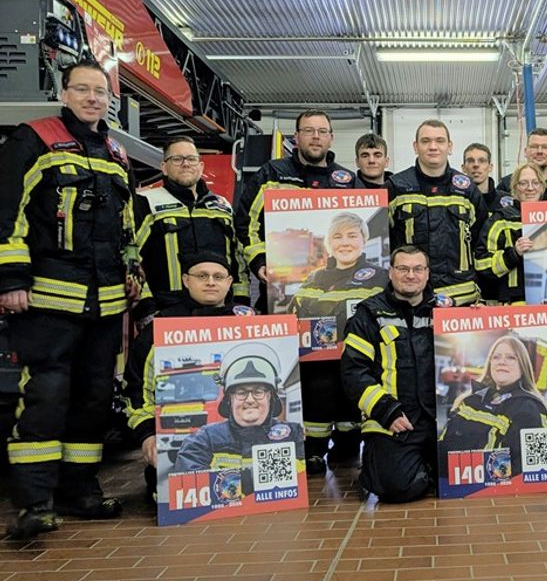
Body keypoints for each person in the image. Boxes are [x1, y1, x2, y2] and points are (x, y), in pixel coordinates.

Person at [0, 61, 141, 539]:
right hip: (47, 298)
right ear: (64, 92)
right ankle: (34, 501)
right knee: (46, 396)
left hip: (105, 303)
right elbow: (8, 215)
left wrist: (133, 269)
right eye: (82, 89)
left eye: (100, 92)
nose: (92, 98)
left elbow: (126, 224)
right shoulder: (33, 139)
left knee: (95, 399)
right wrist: (10, 280)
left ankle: (79, 490)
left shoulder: (116, 153)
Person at [124, 251, 255, 500]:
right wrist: (147, 435)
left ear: (229, 282)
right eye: (202, 275)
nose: (210, 282)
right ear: (186, 280)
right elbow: (136, 391)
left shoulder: (251, 326)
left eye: (218, 276)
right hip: (176, 447)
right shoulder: (159, 331)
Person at [287, 213, 387, 471]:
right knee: (317, 403)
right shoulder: (313, 279)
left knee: (352, 406)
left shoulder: (381, 277)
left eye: (352, 235)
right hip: (318, 366)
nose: (345, 242)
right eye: (338, 236)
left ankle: (347, 447)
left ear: (363, 241)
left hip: (361, 361)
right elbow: (292, 315)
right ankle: (314, 452)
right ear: (329, 244)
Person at [341, 246, 441, 503]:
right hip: (395, 420)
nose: (411, 275)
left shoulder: (445, 312)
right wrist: (387, 411)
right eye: (403, 268)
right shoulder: (369, 314)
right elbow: (354, 373)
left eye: (417, 269)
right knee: (397, 488)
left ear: (427, 274)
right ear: (391, 272)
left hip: (438, 420)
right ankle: (384, 464)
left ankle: (427, 467)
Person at [235, 109, 358, 313]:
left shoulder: (348, 181)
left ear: (331, 138)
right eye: (309, 130)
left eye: (322, 131)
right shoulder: (271, 174)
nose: (316, 136)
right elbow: (246, 223)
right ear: (297, 137)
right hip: (281, 284)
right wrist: (259, 261)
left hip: (335, 287)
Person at [134, 135, 247, 324]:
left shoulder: (222, 206)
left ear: (201, 166)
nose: (185, 164)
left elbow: (238, 260)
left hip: (220, 310)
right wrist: (146, 307)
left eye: (191, 159)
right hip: (166, 310)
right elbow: (131, 257)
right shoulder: (146, 203)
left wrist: (241, 302)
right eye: (177, 159)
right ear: (164, 167)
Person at [172, 345, 304, 495]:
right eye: (241, 393)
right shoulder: (204, 439)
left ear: (271, 397)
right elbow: (189, 484)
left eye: (258, 392)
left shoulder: (294, 435)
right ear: (229, 400)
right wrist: (246, 482)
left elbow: (304, 480)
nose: (249, 400)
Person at [386, 120, 488, 306]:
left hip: (461, 297)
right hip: (412, 298)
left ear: (449, 147)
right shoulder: (395, 187)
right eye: (426, 141)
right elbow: (383, 243)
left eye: (440, 141)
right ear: (415, 147)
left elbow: (480, 243)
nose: (433, 147)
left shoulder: (468, 189)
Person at [439, 336, 547, 477]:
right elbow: (443, 444)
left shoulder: (531, 408)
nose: (502, 362)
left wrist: (468, 473)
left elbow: (536, 470)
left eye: (511, 357)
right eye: (497, 357)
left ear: (523, 366)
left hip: (491, 493)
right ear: (490, 362)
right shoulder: (468, 400)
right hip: (447, 485)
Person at [474, 163, 543, 304]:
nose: (530, 188)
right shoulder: (500, 220)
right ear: (515, 188)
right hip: (513, 304)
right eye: (523, 183)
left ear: (542, 187)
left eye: (535, 183)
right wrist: (514, 254)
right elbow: (481, 265)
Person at [497, 128, 547, 199]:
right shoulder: (507, 184)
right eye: (534, 147)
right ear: (525, 152)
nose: (539, 151)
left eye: (545, 147)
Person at [462, 143, 505, 213]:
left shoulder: (505, 201)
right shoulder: (456, 201)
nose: (476, 165)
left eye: (482, 161)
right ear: (463, 168)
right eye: (470, 161)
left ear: (490, 167)